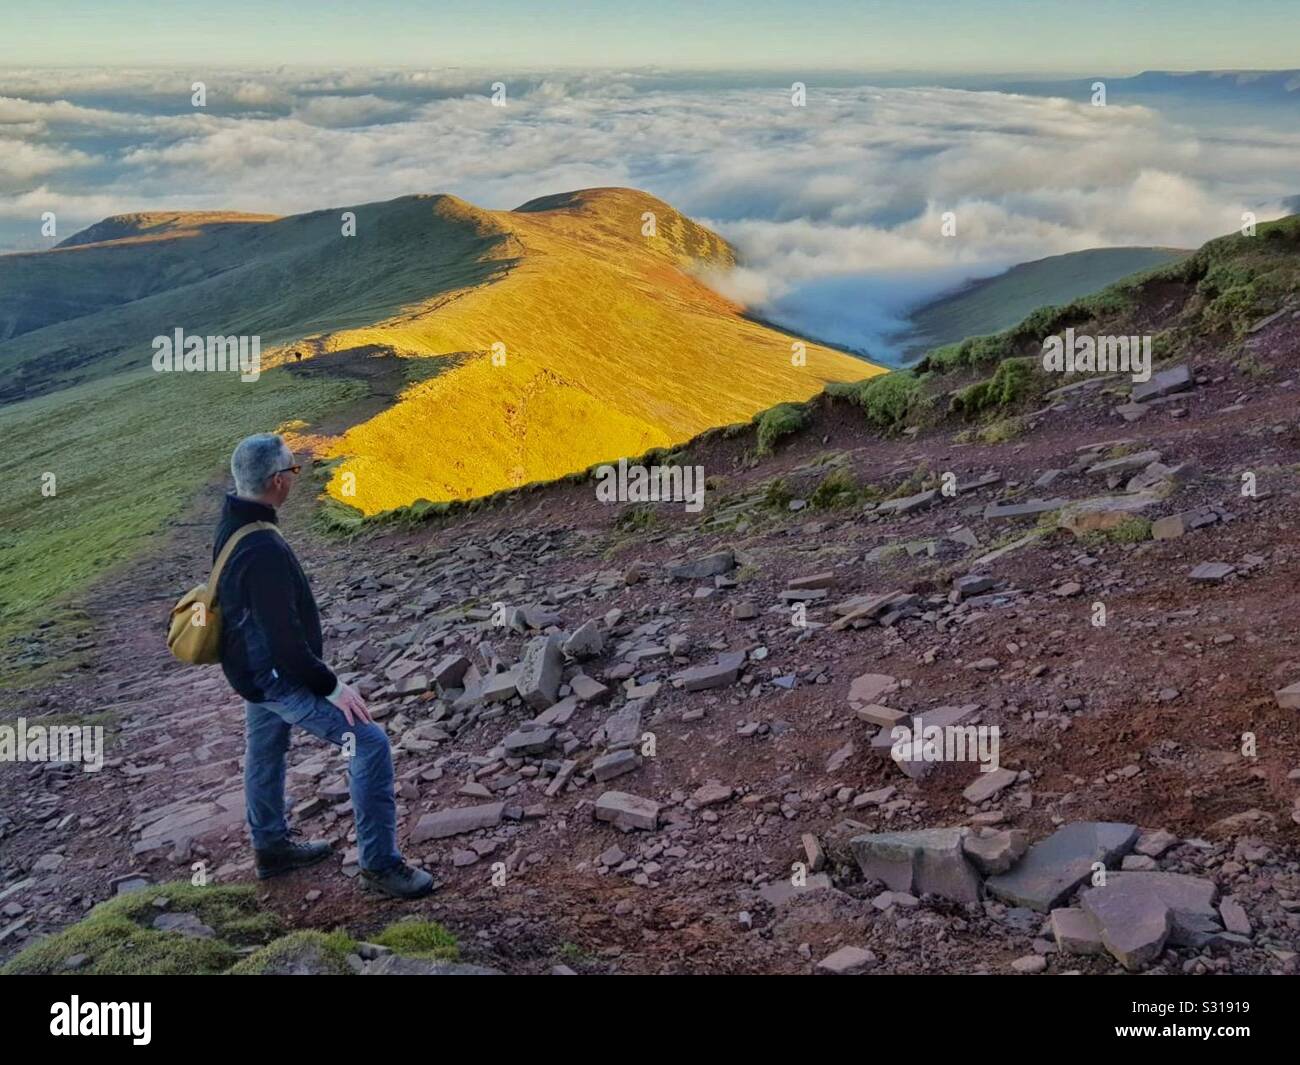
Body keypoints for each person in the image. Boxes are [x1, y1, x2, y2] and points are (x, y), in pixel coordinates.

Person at [215, 433, 433, 898]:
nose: (295, 478)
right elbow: (288, 646)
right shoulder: (263, 549)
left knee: (265, 751)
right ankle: (379, 866)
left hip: (250, 674)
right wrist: (333, 687)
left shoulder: (234, 521)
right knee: (369, 743)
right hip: (274, 678)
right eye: (292, 471)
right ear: (276, 481)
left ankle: (271, 848)